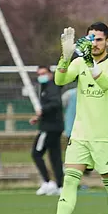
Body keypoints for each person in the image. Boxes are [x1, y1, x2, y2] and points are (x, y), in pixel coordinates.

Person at [36, 22, 108, 214]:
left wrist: (87, 60)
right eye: (90, 39)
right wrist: (65, 58)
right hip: (80, 134)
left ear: (107, 41)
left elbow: (105, 83)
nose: (94, 43)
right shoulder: (79, 62)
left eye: (98, 39)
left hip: (106, 135)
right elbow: (59, 80)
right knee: (69, 180)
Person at [30, 65, 64, 196]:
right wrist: (38, 117)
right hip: (54, 126)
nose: (41, 76)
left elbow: (56, 103)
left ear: (50, 74)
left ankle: (47, 182)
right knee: (55, 156)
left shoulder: (52, 86)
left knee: (36, 153)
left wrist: (42, 111)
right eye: (39, 74)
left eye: (43, 73)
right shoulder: (45, 88)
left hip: (49, 129)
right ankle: (60, 185)